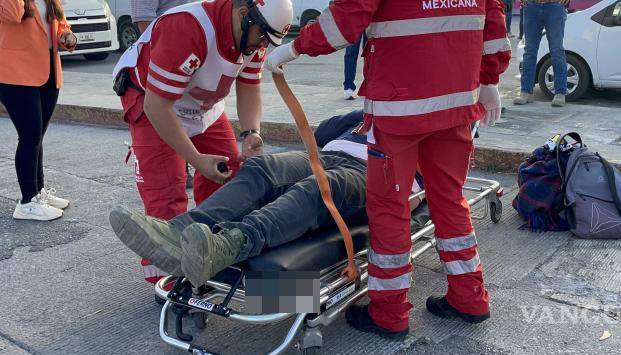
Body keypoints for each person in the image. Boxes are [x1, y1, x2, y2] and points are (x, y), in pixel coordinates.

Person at [263, 0, 510, 340]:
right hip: (456, 108)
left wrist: (291, 48)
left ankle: (390, 313)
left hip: (400, 111)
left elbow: (346, 22)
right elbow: (494, 21)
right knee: (449, 200)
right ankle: (470, 297)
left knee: (389, 209)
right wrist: (489, 81)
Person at [108, 110, 425, 288]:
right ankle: (177, 233)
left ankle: (229, 244)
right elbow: (320, 133)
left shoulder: (436, 121)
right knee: (264, 167)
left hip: (381, 177)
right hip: (326, 155)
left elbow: (439, 179)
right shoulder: (373, 108)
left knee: (320, 188)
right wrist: (369, 109)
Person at [112, 0, 293, 284]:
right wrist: (195, 158)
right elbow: (159, 107)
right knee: (166, 190)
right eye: (262, 37)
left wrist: (251, 133)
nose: (263, 46)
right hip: (150, 99)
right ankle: (169, 284)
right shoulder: (187, 28)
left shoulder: (253, 33)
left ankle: (209, 254)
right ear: (243, 12)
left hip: (200, 100)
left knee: (230, 177)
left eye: (268, 42)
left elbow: (249, 87)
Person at [131, 0, 238, 189]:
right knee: (170, 174)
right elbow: (145, 25)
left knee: (226, 159)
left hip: (201, 61)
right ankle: (180, 164)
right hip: (169, 64)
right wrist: (164, 61)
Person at [0, 0, 77, 221]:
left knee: (37, 136)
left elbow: (59, 22)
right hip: (15, 75)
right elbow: (11, 14)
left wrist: (66, 35)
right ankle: (27, 201)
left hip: (47, 71)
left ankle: (38, 191)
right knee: (30, 136)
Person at [340, 0, 365, 100]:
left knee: (371, 50)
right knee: (351, 50)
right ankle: (349, 86)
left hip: (371, 9)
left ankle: (369, 84)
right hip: (354, 11)